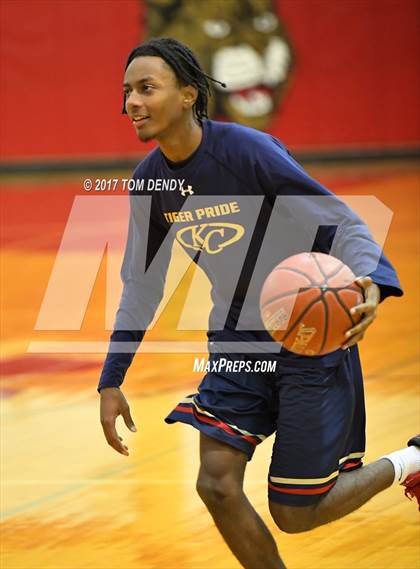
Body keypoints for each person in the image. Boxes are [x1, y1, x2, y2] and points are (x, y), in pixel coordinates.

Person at [98, 37, 419, 569]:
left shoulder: (248, 152)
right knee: (216, 484)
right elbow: (141, 284)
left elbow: (338, 219)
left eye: (146, 88)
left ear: (188, 95)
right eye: (127, 90)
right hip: (236, 340)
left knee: (295, 513)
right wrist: (112, 379)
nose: (132, 101)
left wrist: (369, 281)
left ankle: (412, 460)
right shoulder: (149, 184)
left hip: (309, 337)